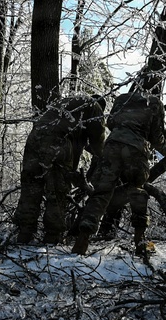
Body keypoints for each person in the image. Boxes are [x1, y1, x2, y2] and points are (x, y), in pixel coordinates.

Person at [71, 87, 166, 257]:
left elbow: (110, 123)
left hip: (112, 146)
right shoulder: (155, 104)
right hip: (136, 149)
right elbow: (156, 138)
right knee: (137, 190)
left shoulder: (122, 99)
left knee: (100, 193)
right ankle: (140, 242)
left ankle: (82, 240)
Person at [14, 94, 106, 245]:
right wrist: (105, 158)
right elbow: (98, 141)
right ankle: (53, 238)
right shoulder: (94, 106)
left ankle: (24, 233)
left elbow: (78, 140)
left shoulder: (68, 102)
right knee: (57, 191)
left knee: (31, 186)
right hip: (57, 143)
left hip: (35, 137)